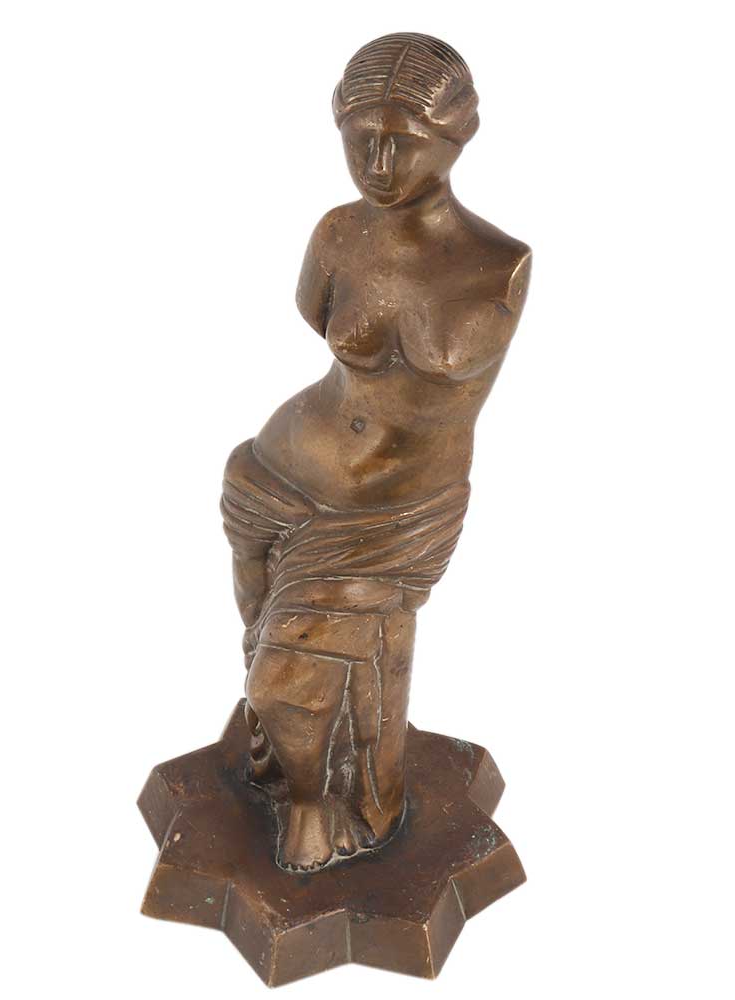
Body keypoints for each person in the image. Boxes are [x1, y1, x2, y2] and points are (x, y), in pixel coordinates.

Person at [221, 32, 531, 871]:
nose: (379, 162)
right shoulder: (337, 233)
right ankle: (287, 769)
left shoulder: (497, 264)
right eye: (360, 139)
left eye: (403, 140)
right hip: (276, 468)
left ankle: (324, 803)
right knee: (263, 645)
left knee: (286, 678)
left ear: (457, 134)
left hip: (394, 509)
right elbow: (320, 323)